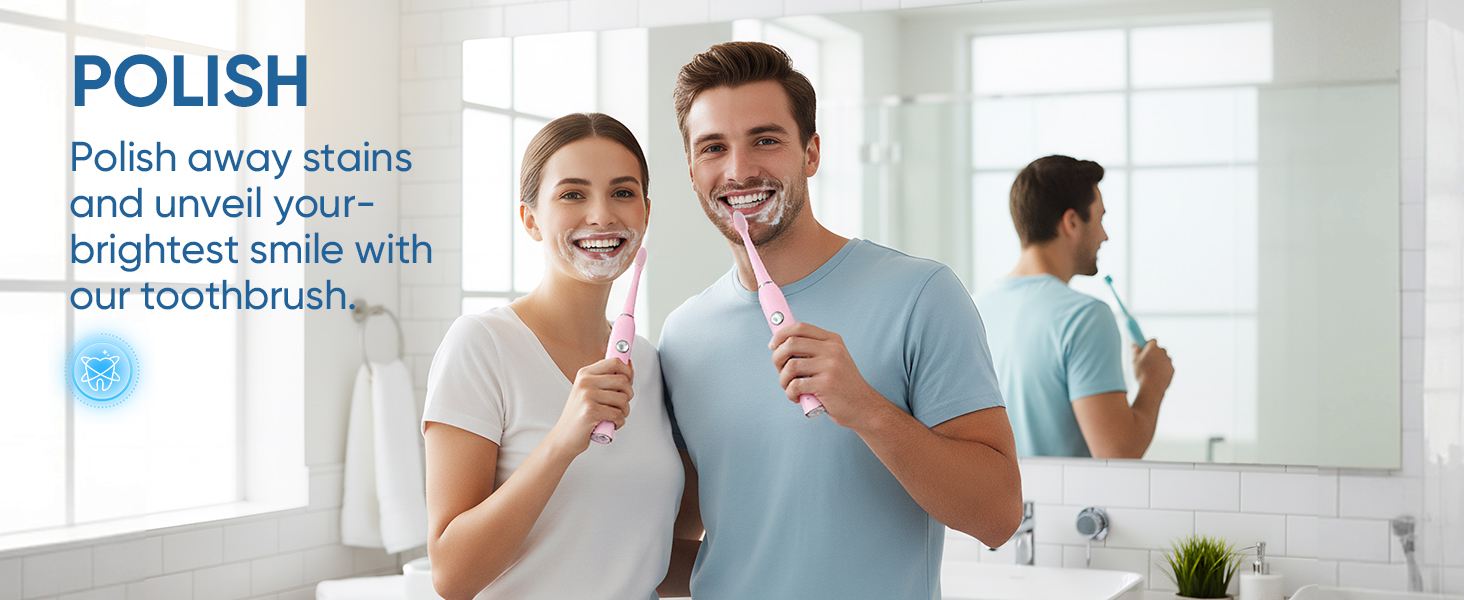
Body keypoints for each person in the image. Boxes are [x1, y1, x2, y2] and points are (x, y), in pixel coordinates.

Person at [657, 41, 1023, 600]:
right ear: (691, 171)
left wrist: (867, 410)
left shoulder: (921, 296)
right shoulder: (683, 335)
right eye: (713, 148)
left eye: (766, 139)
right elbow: (691, 533)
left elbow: (997, 516)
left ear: (811, 153)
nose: (739, 170)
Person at [420, 113, 683, 600]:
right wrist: (562, 441)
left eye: (622, 193)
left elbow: (646, 555)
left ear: (645, 213)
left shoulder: (649, 364)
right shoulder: (481, 345)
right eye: (572, 194)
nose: (602, 214)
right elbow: (452, 577)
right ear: (531, 219)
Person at [975, 155, 1175, 459]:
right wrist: (1153, 383)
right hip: (1063, 506)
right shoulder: (1085, 317)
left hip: (996, 504)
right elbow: (1117, 454)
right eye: (1099, 218)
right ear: (1071, 222)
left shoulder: (974, 308)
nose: (1104, 235)